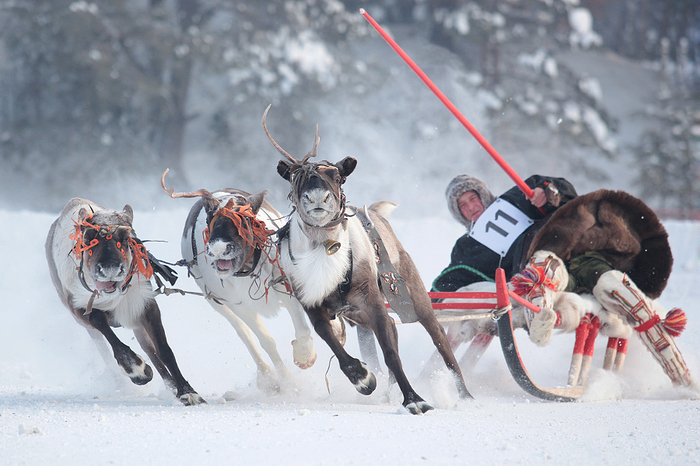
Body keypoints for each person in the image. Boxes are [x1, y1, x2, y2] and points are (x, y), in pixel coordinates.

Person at [432, 174, 578, 292]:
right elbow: (453, 278)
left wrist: (545, 192)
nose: (470, 207)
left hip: (556, 263)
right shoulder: (466, 247)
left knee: (542, 262)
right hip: (512, 293)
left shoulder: (517, 200)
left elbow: (565, 192)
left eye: (473, 198)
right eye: (462, 205)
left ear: (482, 195)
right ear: (459, 214)